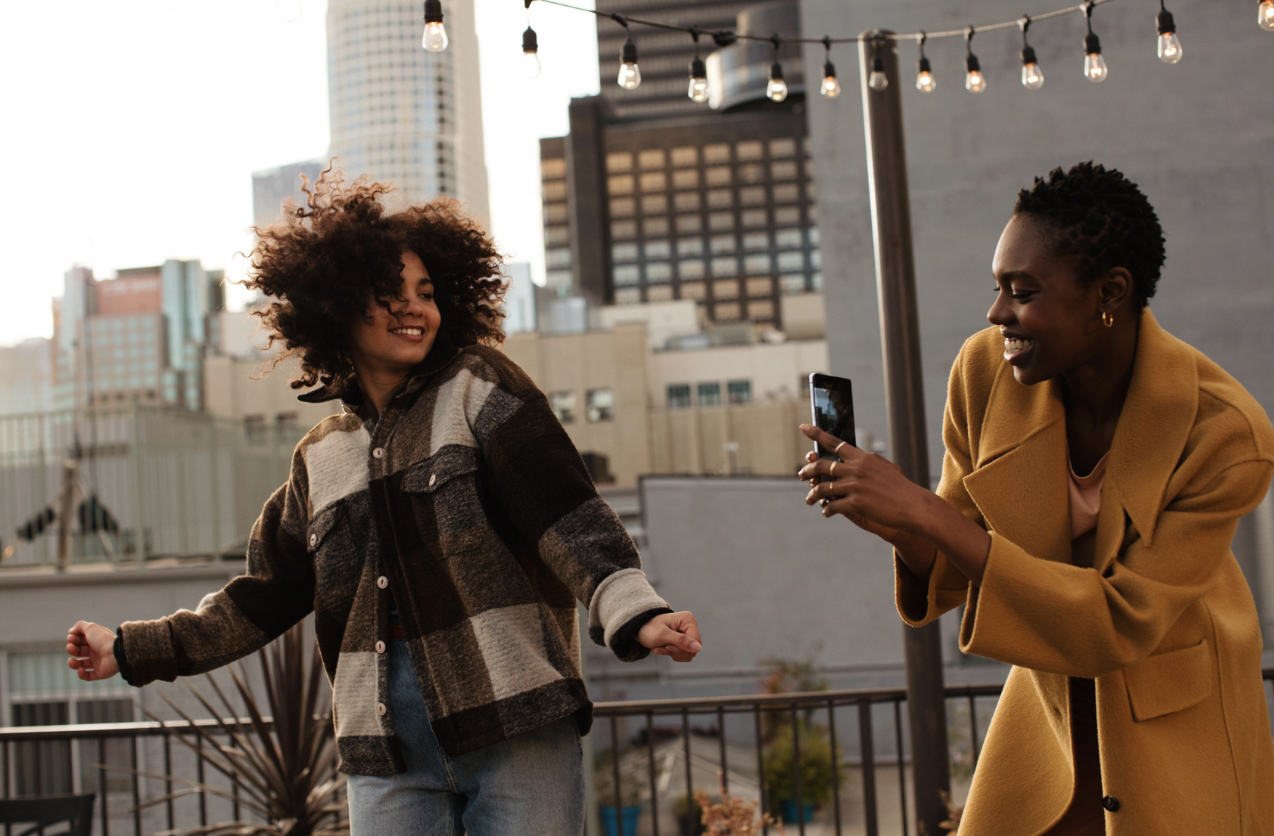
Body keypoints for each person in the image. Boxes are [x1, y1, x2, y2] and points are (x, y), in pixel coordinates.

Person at [66, 170, 703, 835]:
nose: (414, 308)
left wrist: (635, 610)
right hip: (386, 748)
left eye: (426, 293)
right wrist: (129, 650)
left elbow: (566, 511)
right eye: (388, 292)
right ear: (336, 305)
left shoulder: (476, 387)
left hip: (513, 718)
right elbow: (255, 600)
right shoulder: (320, 458)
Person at [799, 162, 1274, 834]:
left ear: (1109, 294)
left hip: (1177, 723)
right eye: (997, 288)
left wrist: (926, 512)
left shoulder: (1226, 434)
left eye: (1022, 292)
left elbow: (1119, 624)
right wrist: (897, 521)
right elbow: (962, 560)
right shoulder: (985, 373)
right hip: (1048, 712)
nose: (997, 315)